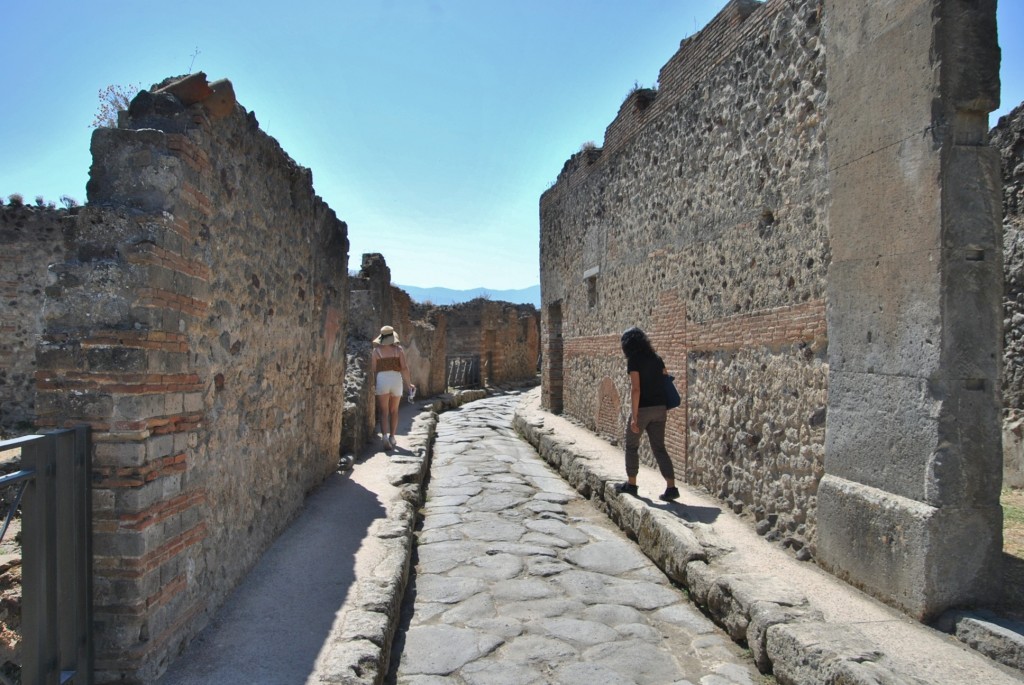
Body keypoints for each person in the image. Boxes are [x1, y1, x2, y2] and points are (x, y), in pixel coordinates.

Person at [616, 327, 679, 502]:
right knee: (659, 448)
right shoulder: (657, 358)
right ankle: (671, 487)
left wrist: (635, 417)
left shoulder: (634, 361)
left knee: (631, 445)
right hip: (660, 409)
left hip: (643, 409)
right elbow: (666, 379)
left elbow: (636, 389)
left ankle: (632, 484)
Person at [371, 325, 415, 450]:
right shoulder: (398, 350)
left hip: (382, 379)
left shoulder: (376, 352)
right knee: (394, 410)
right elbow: (404, 368)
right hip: (396, 379)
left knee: (383, 411)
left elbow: (374, 370)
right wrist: (409, 383)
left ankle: (384, 437)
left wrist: (374, 384)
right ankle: (392, 437)